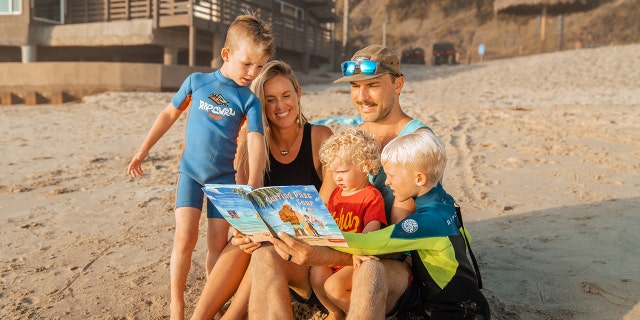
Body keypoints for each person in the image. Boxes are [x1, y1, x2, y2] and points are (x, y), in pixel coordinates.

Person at [236, 44, 441, 319]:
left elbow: (400, 245)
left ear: (398, 84)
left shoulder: (416, 143)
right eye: (355, 86)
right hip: (332, 267)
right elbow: (317, 212)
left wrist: (327, 256)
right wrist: (261, 232)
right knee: (264, 256)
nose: (362, 96)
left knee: (370, 269)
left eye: (373, 85)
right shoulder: (350, 142)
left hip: (390, 269)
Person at [126, 14, 274, 320]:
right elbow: (168, 115)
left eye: (259, 67)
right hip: (190, 173)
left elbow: (256, 141)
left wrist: (256, 180)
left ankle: (212, 298)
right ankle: (176, 303)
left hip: (222, 178)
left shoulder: (249, 101)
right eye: (247, 64)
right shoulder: (197, 82)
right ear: (226, 54)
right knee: (185, 238)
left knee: (217, 245)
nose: (253, 72)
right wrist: (143, 149)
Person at [189, 60, 335, 320]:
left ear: (298, 94)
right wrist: (243, 232)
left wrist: (272, 235)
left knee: (264, 248)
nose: (281, 106)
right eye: (270, 100)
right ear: (260, 104)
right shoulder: (251, 144)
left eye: (286, 96)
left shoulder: (321, 138)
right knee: (242, 244)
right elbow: (243, 206)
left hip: (307, 260)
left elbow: (324, 218)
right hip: (268, 258)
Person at [334, 129, 491, 319]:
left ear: (419, 179)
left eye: (392, 175)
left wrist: (323, 233)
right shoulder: (446, 201)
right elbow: (465, 238)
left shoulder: (425, 222)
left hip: (458, 312)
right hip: (466, 302)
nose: (388, 182)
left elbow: (372, 243)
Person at [310, 127, 387, 320]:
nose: (337, 178)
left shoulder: (371, 196)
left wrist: (357, 252)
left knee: (333, 286)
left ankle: (356, 313)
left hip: (356, 259)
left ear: (365, 166)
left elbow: (372, 231)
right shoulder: (336, 194)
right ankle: (335, 311)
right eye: (334, 172)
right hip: (335, 255)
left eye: (343, 171)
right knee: (316, 274)